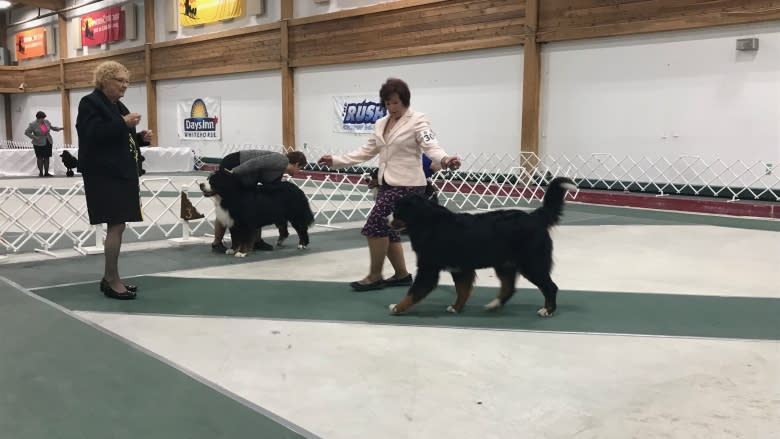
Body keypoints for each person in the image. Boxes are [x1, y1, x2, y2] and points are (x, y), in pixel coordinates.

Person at [318, 77, 461, 291]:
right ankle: (402, 275)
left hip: (409, 186)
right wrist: (336, 161)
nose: (391, 107)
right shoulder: (380, 124)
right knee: (390, 229)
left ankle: (375, 276)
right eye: (387, 103)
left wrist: (445, 159)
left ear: (405, 100)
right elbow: (365, 152)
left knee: (375, 224)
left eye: (395, 102)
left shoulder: (419, 121)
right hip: (387, 183)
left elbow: (431, 146)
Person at [76, 60, 153, 300]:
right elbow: (92, 135)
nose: (124, 86)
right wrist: (123, 122)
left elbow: (118, 137)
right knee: (116, 226)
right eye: (119, 80)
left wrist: (140, 138)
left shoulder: (116, 105)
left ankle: (109, 277)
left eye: (127, 81)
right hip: (104, 175)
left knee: (119, 226)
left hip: (121, 173)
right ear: (103, 80)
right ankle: (111, 280)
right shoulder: (89, 103)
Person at [210, 150, 308, 253]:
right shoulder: (281, 160)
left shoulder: (280, 171)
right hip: (234, 165)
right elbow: (256, 163)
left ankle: (256, 241)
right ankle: (217, 243)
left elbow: (270, 186)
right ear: (296, 164)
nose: (299, 171)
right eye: (300, 168)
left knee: (255, 207)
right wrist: (234, 171)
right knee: (226, 206)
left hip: (245, 175)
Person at [25, 111, 63, 177]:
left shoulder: (46, 122)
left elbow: (52, 128)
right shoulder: (33, 124)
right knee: (39, 157)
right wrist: (35, 137)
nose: (43, 120)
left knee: (47, 157)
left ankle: (46, 173)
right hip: (38, 143)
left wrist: (59, 129)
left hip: (48, 141)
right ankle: (41, 173)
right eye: (41, 118)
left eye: (44, 118)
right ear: (37, 118)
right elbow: (27, 132)